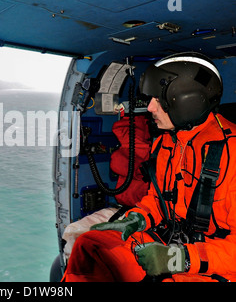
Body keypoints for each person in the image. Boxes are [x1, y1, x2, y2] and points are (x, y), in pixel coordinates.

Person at [62, 52, 236, 282]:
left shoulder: (230, 152)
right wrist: (137, 219)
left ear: (188, 101)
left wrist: (178, 258)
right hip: (170, 240)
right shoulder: (166, 141)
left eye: (158, 99)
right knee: (90, 245)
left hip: (216, 262)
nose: (151, 107)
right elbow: (158, 199)